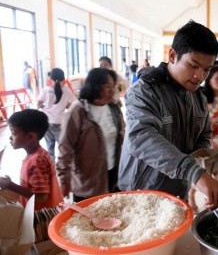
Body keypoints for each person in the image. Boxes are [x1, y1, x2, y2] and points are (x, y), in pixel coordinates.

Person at [118, 20, 218, 209]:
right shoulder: (144, 92)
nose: (199, 76)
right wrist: (193, 172)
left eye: (207, 70)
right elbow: (141, 138)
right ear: (173, 55)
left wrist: (203, 160)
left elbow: (204, 134)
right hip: (140, 196)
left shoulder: (198, 96)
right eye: (193, 65)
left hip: (176, 194)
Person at [57, 68, 125, 203]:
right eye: (107, 87)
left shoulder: (114, 109)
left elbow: (123, 137)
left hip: (113, 175)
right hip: (88, 180)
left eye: (113, 87)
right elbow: (65, 148)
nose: (112, 91)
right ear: (94, 87)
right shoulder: (77, 112)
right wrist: (64, 179)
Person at [188, 62, 218, 212]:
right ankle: (192, 198)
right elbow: (196, 128)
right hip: (207, 151)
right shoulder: (202, 102)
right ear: (209, 80)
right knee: (205, 179)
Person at [0, 109, 63, 210]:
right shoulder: (36, 155)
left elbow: (41, 196)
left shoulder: (36, 161)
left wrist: (10, 185)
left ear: (30, 136)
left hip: (43, 217)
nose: (10, 138)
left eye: (13, 133)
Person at [38, 68, 76, 162]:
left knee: (50, 148)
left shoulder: (45, 90)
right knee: (63, 148)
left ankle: (52, 168)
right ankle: (63, 167)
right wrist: (65, 106)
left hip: (46, 123)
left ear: (51, 79)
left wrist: (45, 106)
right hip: (59, 123)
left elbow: (39, 104)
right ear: (63, 79)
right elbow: (74, 105)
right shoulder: (66, 90)